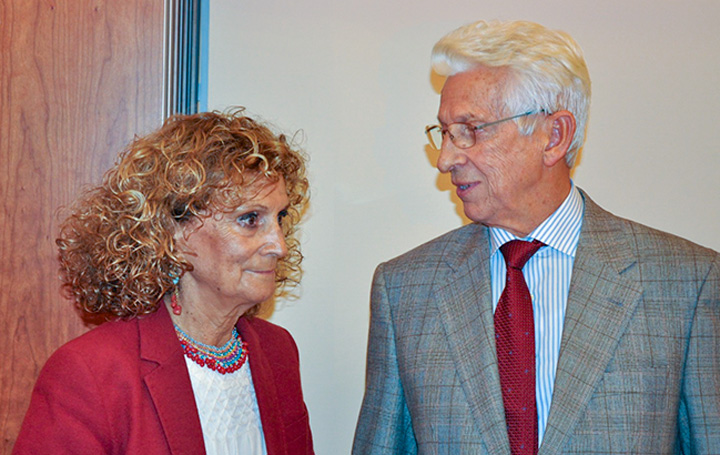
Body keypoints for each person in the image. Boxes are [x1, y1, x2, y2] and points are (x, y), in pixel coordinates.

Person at [353, 20, 719, 454]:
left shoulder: (685, 283)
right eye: (445, 133)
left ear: (554, 136)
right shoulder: (405, 291)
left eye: (470, 130)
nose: (446, 159)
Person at [14, 110, 314, 454]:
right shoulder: (92, 372)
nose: (279, 245)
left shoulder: (277, 351)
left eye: (280, 217)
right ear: (174, 233)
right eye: (249, 219)